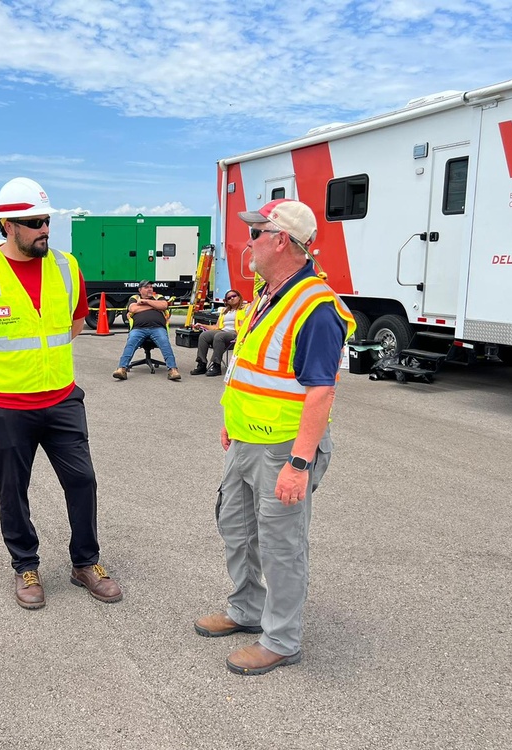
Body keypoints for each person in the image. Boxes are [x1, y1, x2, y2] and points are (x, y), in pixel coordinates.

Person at [0, 177, 122, 610]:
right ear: (8, 225)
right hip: (6, 407)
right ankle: (25, 566)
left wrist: (44, 364)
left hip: (62, 401)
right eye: (33, 222)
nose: (44, 229)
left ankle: (85, 563)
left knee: (82, 481)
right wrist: (4, 366)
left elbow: (75, 323)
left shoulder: (66, 266)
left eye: (46, 220)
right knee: (12, 489)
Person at [193, 199, 355, 676]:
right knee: (236, 530)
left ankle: (282, 639)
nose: (249, 242)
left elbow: (320, 391)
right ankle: (246, 610)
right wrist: (232, 418)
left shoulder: (316, 307)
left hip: (283, 449)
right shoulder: (269, 292)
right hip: (245, 440)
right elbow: (251, 365)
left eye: (257, 234)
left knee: (282, 545)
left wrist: (299, 464)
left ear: (281, 240)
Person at [111, 280, 182, 381]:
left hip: (158, 328)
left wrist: (146, 302)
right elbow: (133, 309)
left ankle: (173, 370)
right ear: (140, 290)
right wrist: (154, 306)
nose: (150, 289)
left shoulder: (158, 297)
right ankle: (122, 369)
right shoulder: (135, 298)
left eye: (151, 287)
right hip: (139, 329)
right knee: (130, 343)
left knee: (165, 344)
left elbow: (164, 305)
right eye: (146, 287)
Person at [190, 289, 247, 377]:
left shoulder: (246, 308)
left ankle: (216, 365)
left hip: (236, 333)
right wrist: (202, 325)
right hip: (222, 331)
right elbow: (216, 327)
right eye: (229, 298)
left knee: (219, 336)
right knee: (204, 335)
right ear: (226, 301)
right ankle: (201, 364)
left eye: (234, 296)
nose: (232, 298)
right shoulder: (224, 311)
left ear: (239, 297)